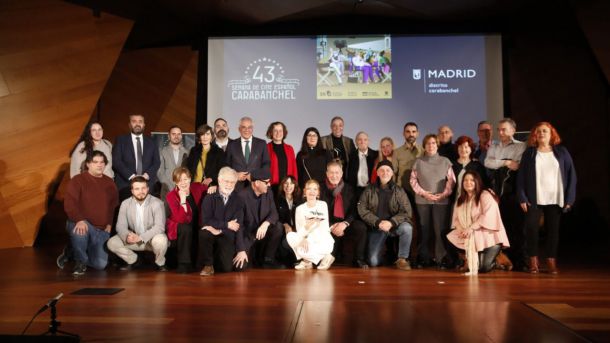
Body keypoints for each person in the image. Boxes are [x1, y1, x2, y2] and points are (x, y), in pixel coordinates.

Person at [517, 122, 576, 274]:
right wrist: (522, 197)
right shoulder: (529, 153)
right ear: (535, 135)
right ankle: (533, 261)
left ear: (551, 134)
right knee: (531, 229)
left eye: (545, 131)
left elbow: (571, 176)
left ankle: (551, 261)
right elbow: (521, 177)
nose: (542, 133)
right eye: (539, 131)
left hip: (556, 198)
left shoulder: (562, 152)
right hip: (534, 198)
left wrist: (569, 199)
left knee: (553, 231)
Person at [62, 151, 118, 275]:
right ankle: (80, 261)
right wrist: (80, 220)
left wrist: (109, 223)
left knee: (100, 265)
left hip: (101, 228)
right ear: (88, 164)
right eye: (95, 162)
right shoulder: (78, 180)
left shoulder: (110, 183)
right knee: (80, 230)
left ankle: (73, 253)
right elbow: (70, 204)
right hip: (82, 223)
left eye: (102, 162)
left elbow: (112, 207)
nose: (99, 165)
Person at [447, 171, 510, 275]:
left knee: (483, 268)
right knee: (448, 236)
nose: (468, 182)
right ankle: (468, 258)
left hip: (489, 238)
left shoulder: (485, 195)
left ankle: (498, 257)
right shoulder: (460, 199)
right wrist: (462, 230)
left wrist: (470, 228)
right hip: (472, 236)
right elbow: (456, 219)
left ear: (477, 182)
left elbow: (488, 216)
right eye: (465, 180)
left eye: (472, 180)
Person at [354, 160, 414, 270]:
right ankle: (386, 256)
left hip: (394, 227)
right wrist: (377, 222)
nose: (385, 173)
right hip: (377, 227)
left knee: (407, 228)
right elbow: (362, 209)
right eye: (381, 170)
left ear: (392, 173)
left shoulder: (399, 191)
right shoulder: (369, 190)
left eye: (388, 170)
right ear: (377, 173)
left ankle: (402, 259)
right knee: (373, 261)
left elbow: (407, 212)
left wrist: (391, 222)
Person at [484, 118, 527, 270]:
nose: (500, 132)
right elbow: (487, 163)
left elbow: (518, 165)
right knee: (501, 229)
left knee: (517, 228)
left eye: (504, 129)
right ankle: (504, 261)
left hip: (513, 191)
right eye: (499, 130)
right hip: (496, 192)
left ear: (513, 130)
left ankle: (520, 262)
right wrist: (507, 162)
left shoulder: (521, 146)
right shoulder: (494, 145)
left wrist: (499, 160)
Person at [410, 134, 456, 268]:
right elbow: (413, 181)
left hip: (441, 201)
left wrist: (443, 195)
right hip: (422, 201)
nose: (431, 146)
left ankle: (441, 258)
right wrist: (424, 194)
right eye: (428, 143)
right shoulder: (418, 162)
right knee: (424, 230)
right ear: (424, 146)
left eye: (433, 143)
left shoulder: (445, 161)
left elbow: (451, 180)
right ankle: (424, 258)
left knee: (440, 230)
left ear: (437, 145)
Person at [107, 176, 169, 272]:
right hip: (134, 239)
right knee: (112, 243)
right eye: (137, 189)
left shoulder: (157, 203)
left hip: (151, 239)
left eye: (143, 188)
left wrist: (141, 237)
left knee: (161, 240)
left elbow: (159, 227)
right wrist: (127, 236)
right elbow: (120, 226)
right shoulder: (125, 204)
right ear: (132, 191)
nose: (141, 191)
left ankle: (159, 263)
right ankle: (134, 260)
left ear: (148, 189)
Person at [197, 167, 245, 276]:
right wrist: (226, 224)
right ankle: (208, 265)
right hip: (211, 234)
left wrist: (241, 249)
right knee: (204, 233)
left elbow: (238, 226)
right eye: (226, 181)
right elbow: (206, 221)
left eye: (232, 182)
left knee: (226, 268)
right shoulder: (209, 197)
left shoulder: (238, 200)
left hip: (226, 235)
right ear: (219, 180)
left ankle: (217, 261)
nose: (229, 185)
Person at [320, 161, 368, 268]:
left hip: (345, 224)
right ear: (327, 174)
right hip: (328, 226)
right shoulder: (320, 188)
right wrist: (332, 226)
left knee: (361, 228)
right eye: (331, 173)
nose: (334, 176)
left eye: (337, 172)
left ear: (341, 173)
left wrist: (345, 224)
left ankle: (359, 259)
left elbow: (354, 210)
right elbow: (318, 211)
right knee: (328, 260)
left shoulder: (349, 189)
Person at [237, 169, 284, 268]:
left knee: (278, 227)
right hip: (248, 236)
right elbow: (239, 226)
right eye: (266, 182)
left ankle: (268, 260)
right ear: (257, 183)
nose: (269, 184)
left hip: (263, 234)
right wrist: (241, 249)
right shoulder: (241, 196)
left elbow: (274, 213)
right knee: (240, 267)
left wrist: (266, 224)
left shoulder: (268, 192)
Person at [287, 180, 335, 270]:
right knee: (290, 236)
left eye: (315, 189)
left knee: (306, 243)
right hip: (307, 240)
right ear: (305, 192)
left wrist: (308, 235)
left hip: (323, 240)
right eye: (309, 189)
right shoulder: (299, 209)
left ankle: (307, 260)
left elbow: (324, 227)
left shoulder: (323, 205)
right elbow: (299, 229)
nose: (312, 191)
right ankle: (319, 259)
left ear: (318, 193)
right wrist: (305, 237)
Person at [166, 167, 206, 273]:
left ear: (190, 178)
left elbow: (209, 190)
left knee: (202, 229)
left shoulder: (197, 187)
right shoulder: (171, 196)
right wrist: (183, 200)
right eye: (179, 180)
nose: (183, 183)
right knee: (186, 228)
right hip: (179, 226)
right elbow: (180, 219)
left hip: (197, 222)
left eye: (185, 179)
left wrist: (213, 187)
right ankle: (183, 264)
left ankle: (202, 263)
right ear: (175, 182)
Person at [112, 114, 160, 199]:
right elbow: (117, 161)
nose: (137, 124)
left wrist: (146, 175)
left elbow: (156, 162)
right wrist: (132, 177)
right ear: (129, 124)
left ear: (144, 125)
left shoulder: (152, 142)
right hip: (125, 184)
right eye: (134, 121)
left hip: (147, 184)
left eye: (140, 121)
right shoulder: (121, 140)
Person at [225, 116, 271, 190]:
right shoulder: (231, 144)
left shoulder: (261, 144)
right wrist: (235, 175)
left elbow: (266, 164)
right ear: (239, 129)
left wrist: (253, 176)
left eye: (249, 127)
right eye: (243, 127)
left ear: (252, 129)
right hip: (236, 188)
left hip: (256, 188)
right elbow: (226, 165)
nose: (247, 130)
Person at [184, 124, 226, 193]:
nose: (205, 137)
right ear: (199, 137)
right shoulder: (194, 150)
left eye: (207, 134)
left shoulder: (218, 152)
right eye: (202, 134)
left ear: (211, 136)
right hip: (193, 187)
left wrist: (212, 178)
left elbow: (223, 170)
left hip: (209, 188)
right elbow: (188, 168)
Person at [452, 136, 490, 201]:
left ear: (471, 149)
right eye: (460, 147)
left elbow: (484, 184)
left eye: (466, 147)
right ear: (457, 148)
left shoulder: (477, 166)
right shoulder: (452, 166)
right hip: (456, 201)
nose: (463, 149)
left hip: (474, 201)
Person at [157, 125, 189, 200]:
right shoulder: (162, 151)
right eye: (173, 134)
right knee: (166, 211)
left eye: (178, 134)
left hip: (183, 190)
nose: (176, 136)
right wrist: (171, 186)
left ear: (181, 136)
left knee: (182, 211)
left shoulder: (187, 152)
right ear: (169, 136)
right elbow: (159, 172)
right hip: (166, 189)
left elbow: (188, 172)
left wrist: (181, 185)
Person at [266, 121, 298, 195]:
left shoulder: (290, 148)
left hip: (287, 187)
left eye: (280, 131)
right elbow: (263, 168)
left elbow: (294, 169)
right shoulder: (266, 148)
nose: (278, 133)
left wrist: (294, 184)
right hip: (271, 187)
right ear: (271, 132)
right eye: (275, 131)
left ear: (284, 132)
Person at [275, 176, 301, 266]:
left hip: (298, 229)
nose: (288, 186)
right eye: (286, 183)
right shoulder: (277, 199)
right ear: (282, 185)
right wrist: (285, 224)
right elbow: (276, 216)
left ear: (295, 185)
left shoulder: (300, 200)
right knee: (284, 244)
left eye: (291, 183)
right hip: (284, 230)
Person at [395, 122, 424, 194]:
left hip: (419, 193)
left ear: (417, 134)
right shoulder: (397, 152)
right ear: (403, 134)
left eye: (413, 132)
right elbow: (393, 173)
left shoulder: (424, 151)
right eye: (408, 132)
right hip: (402, 192)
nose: (411, 134)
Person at [347, 131, 379, 198]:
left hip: (372, 190)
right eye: (359, 140)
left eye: (365, 139)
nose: (362, 142)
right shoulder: (350, 156)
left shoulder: (376, 155)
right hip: (355, 191)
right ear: (356, 142)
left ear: (368, 141)